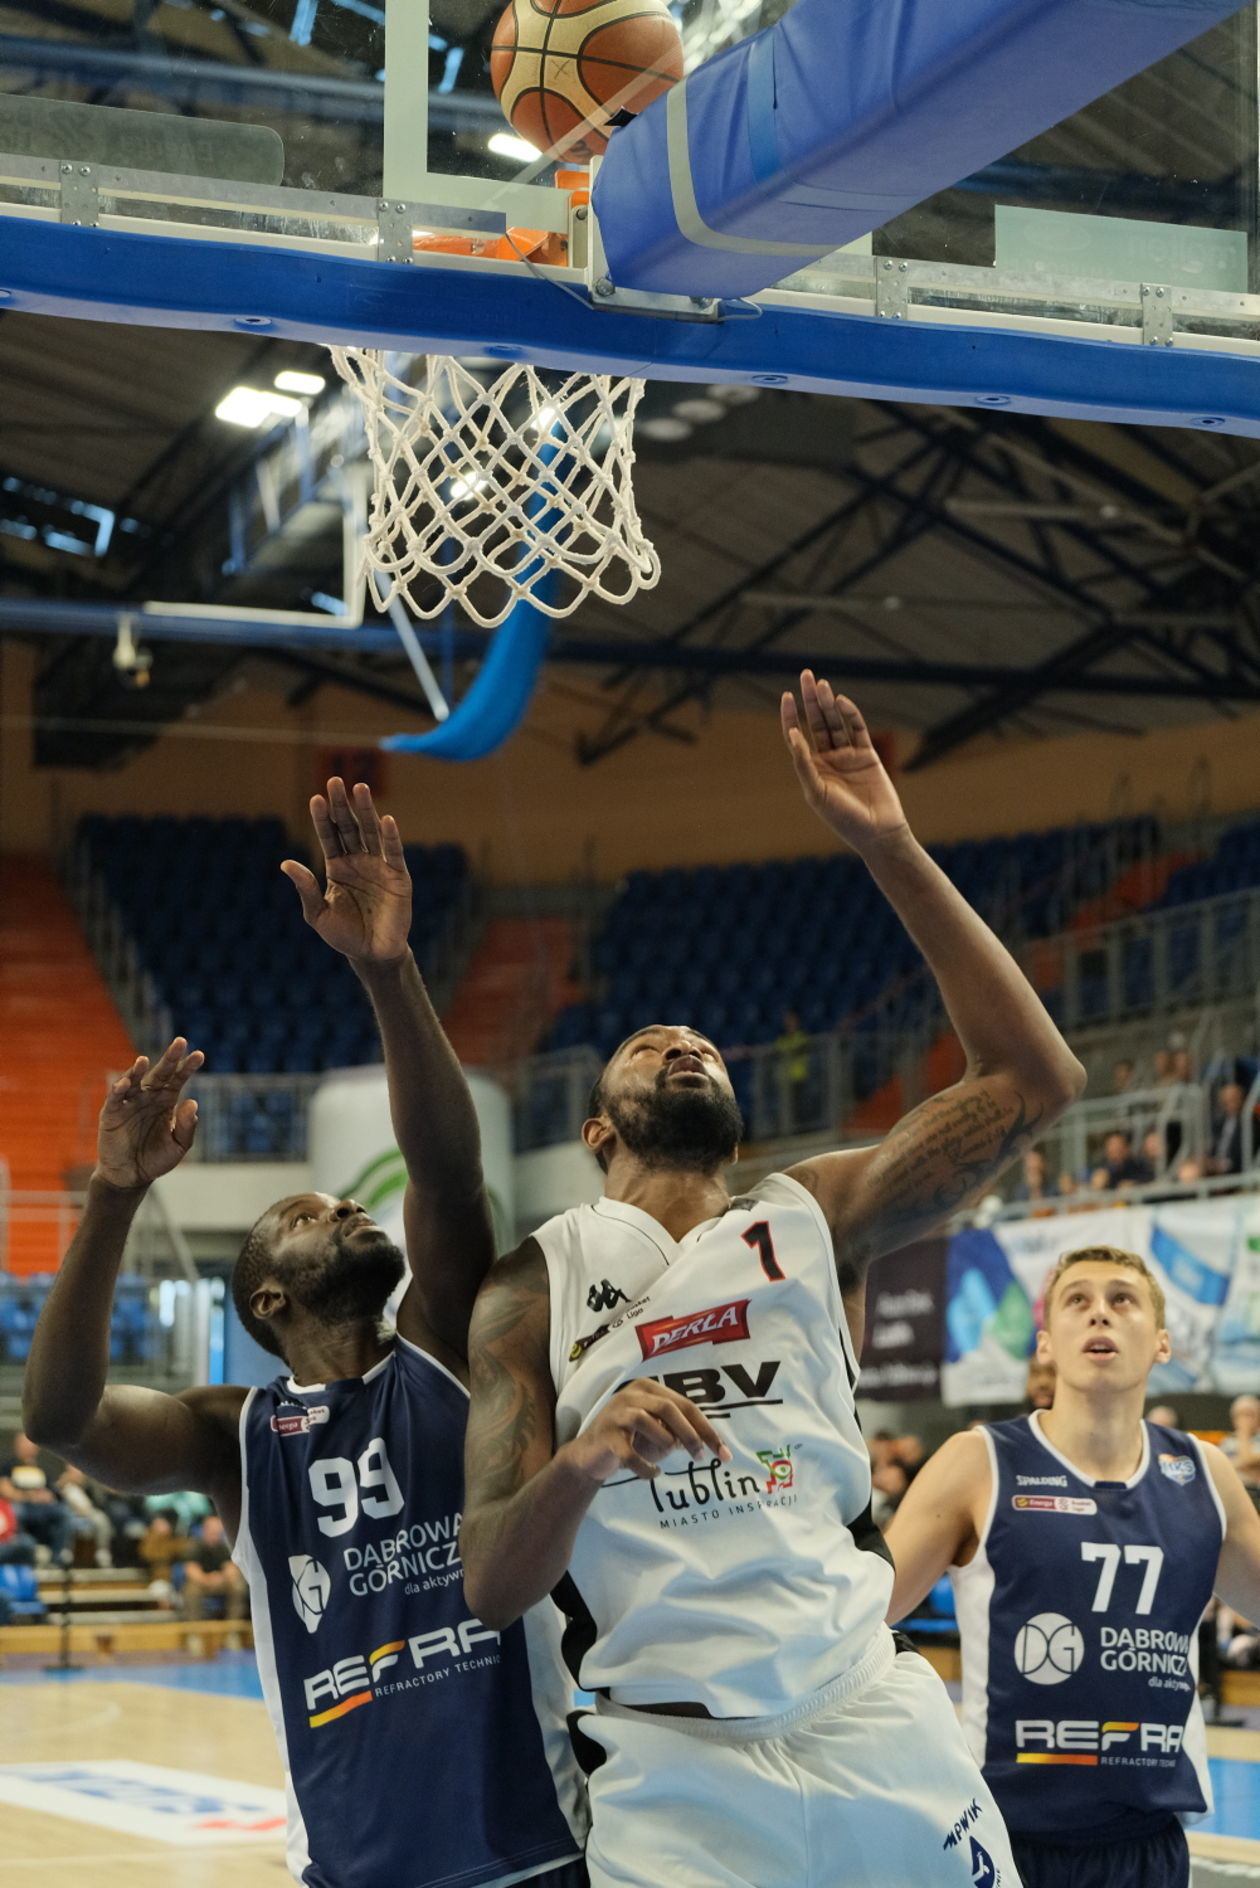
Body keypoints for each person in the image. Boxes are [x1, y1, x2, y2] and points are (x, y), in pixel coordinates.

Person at [461, 672, 1086, 1888]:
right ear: (598, 1130)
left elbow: (1038, 1080)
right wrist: (586, 1459)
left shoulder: (808, 1212)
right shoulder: (530, 1283)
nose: (684, 1042)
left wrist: (886, 841)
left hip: (869, 1717)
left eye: (700, 1043)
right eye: (649, 1044)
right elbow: (492, 1581)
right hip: (674, 1770)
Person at [23, 779, 585, 1888]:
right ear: (268, 1302)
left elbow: (444, 1171)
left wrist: (387, 969)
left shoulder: (442, 1342)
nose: (345, 1204)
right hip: (352, 1869)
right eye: (309, 1216)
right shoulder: (234, 1435)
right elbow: (61, 1418)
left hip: (535, 1851)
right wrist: (115, 1195)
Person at [885, 1241, 1260, 1888]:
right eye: (1077, 1300)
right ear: (1046, 1345)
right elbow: (854, 1619)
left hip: (1149, 1847)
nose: (1100, 1314)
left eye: (1123, 1300)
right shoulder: (978, 1462)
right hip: (1006, 1839)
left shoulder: (1206, 1474)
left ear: (1162, 1344)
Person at [0, 1433, 70, 1565]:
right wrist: (29, 1496)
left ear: (36, 1448)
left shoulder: (42, 1470)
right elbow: (4, 1490)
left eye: (28, 1444)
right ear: (16, 1446)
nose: (25, 1447)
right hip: (20, 1505)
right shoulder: (8, 1466)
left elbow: (55, 1492)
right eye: (22, 1444)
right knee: (16, 1511)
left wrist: (49, 1496)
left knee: (64, 1512)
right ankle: (25, 1549)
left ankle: (55, 1559)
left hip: (42, 1507)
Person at [180, 1511, 248, 1623]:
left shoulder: (224, 1546)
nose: (215, 1535)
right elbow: (191, 1569)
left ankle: (233, 1629)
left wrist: (221, 1578)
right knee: (190, 1591)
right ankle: (193, 1631)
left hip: (221, 1582)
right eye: (212, 1532)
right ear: (204, 1530)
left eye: (217, 1532)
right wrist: (207, 1579)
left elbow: (231, 1568)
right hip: (200, 1582)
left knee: (238, 1586)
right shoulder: (194, 1546)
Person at [1089, 1128, 1152, 1193]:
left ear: (1127, 1148)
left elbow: (1149, 1181)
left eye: (1119, 1147)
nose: (1116, 1151)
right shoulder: (1102, 1168)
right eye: (1113, 1148)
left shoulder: (1138, 1165)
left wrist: (1135, 1184)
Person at [1207, 1081, 1248, 1176]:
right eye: (1225, 1101)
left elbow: (1243, 1155)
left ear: (1242, 1099)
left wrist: (1224, 1165)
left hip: (1234, 1169)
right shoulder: (1219, 1124)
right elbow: (1214, 1148)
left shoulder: (1249, 1123)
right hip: (1215, 1165)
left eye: (1232, 1099)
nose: (1228, 1104)